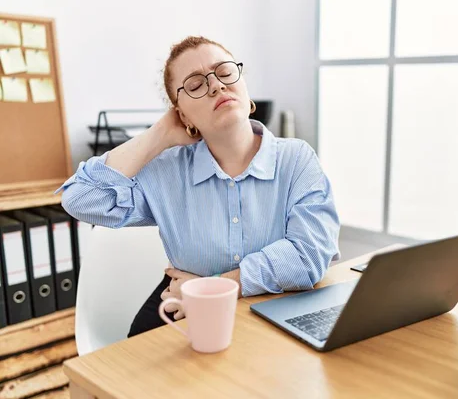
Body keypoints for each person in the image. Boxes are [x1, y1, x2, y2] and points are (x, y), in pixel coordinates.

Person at [57, 36, 340, 337]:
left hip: (269, 306)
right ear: (181, 114)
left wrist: (212, 287)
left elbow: (309, 254)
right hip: (183, 310)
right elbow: (80, 198)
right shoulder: (166, 171)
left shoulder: (296, 158)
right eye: (195, 85)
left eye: (226, 72)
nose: (217, 85)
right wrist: (160, 134)